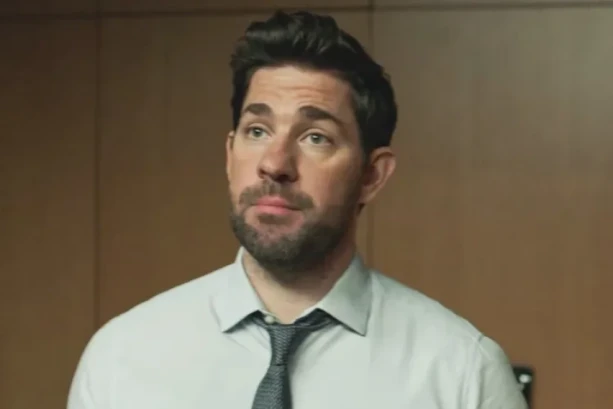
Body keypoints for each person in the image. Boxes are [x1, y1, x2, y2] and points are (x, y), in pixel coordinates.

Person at [67, 10, 528, 409]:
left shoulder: (462, 371)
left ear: (372, 175)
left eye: (315, 137)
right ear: (229, 155)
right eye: (257, 131)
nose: (275, 164)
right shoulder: (122, 357)